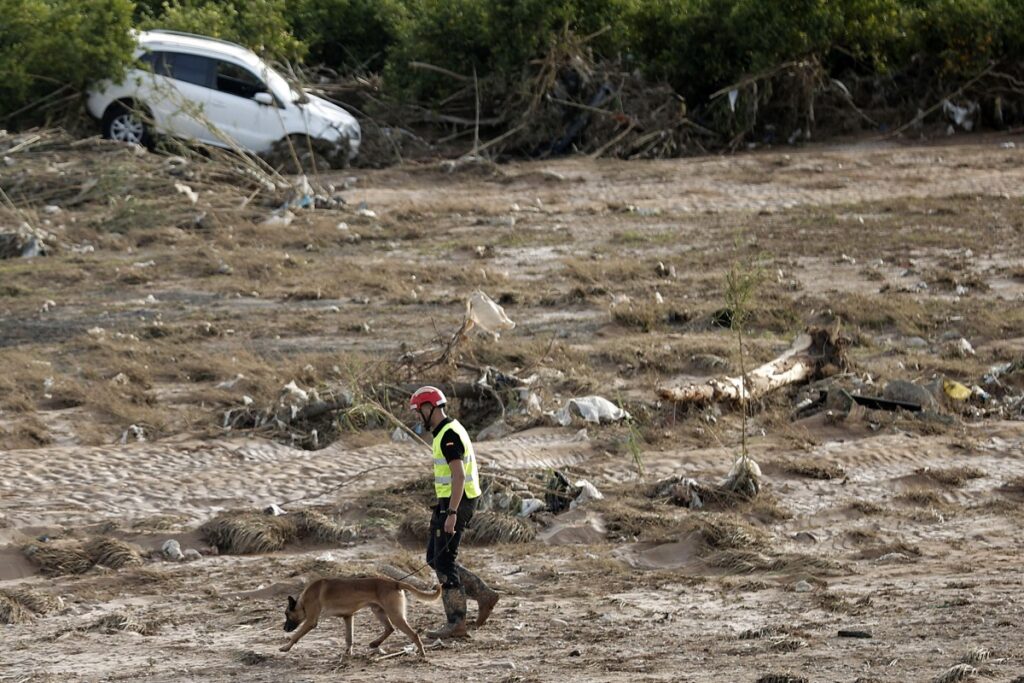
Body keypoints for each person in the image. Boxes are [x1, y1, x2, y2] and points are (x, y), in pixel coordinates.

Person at [409, 385, 499, 639]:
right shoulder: (445, 432)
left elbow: (458, 475)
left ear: (430, 408)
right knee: (434, 558)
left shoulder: (449, 436)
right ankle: (483, 594)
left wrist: (451, 513)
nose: (417, 416)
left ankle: (456, 622)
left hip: (458, 502)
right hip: (452, 502)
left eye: (419, 411)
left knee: (444, 561)